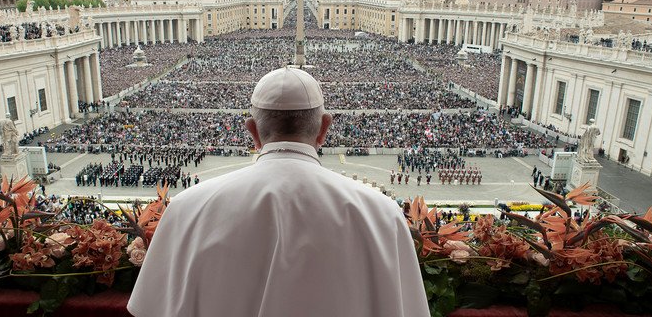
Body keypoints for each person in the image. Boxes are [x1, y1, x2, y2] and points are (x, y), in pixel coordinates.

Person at [128, 66, 427, 317]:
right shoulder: (382, 214)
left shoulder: (185, 208)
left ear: (252, 131)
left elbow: (149, 307)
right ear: (324, 128)